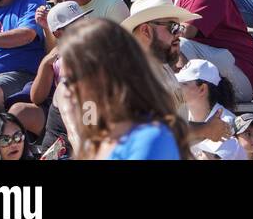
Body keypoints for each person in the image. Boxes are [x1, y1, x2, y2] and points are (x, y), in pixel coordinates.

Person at [56, 17, 186, 159]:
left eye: (71, 80)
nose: (66, 92)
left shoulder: (149, 139)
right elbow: (83, 135)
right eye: (172, 27)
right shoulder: (98, 121)